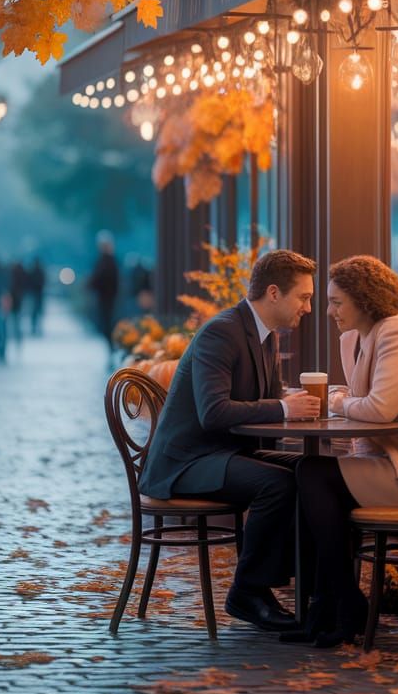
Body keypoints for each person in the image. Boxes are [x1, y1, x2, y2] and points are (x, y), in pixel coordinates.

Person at [137, 249, 321, 633]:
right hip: (184, 462)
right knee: (278, 483)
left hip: (221, 452)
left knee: (313, 470)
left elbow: (268, 400)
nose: (308, 307)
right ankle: (248, 592)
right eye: (303, 297)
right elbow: (214, 413)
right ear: (274, 293)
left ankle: (313, 588)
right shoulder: (222, 331)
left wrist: (292, 404)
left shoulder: (263, 334)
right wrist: (285, 410)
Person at [293, 255, 398, 648]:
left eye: (337, 301)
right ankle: (328, 606)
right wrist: (344, 401)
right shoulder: (363, 337)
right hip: (385, 465)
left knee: (312, 474)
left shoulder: (397, 331)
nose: (329, 311)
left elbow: (379, 409)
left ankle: (339, 603)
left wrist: (339, 401)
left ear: (364, 298)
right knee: (308, 474)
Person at [87, 233, 120, 360]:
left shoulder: (107, 261)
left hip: (107, 297)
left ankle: (112, 348)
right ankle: (111, 348)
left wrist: (92, 284)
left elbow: (101, 278)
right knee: (107, 323)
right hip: (107, 296)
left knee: (107, 324)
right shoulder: (108, 260)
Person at [27, 258, 45, 335]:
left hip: (35, 293)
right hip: (37, 293)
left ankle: (35, 327)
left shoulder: (33, 271)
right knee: (36, 312)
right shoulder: (40, 271)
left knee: (34, 312)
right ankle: (36, 327)